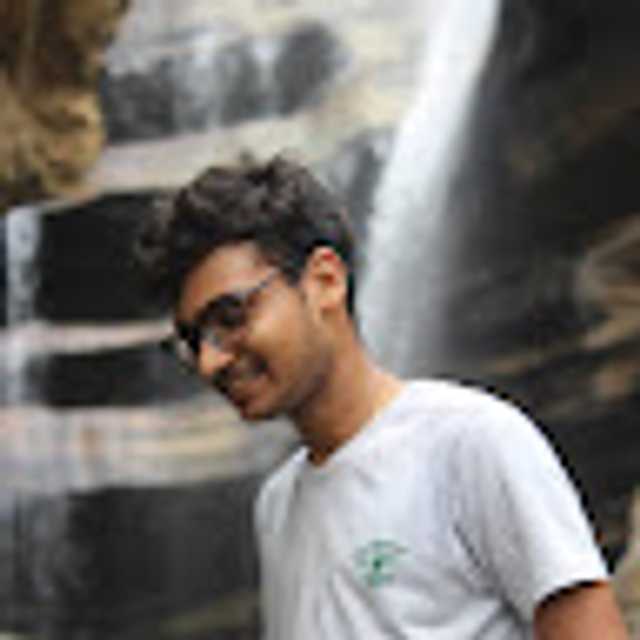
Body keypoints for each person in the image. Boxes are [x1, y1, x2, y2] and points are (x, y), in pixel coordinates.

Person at [138, 154, 629, 639]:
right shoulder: (277, 505)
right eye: (193, 340)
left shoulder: (472, 442)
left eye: (230, 317)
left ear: (325, 281)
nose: (210, 361)